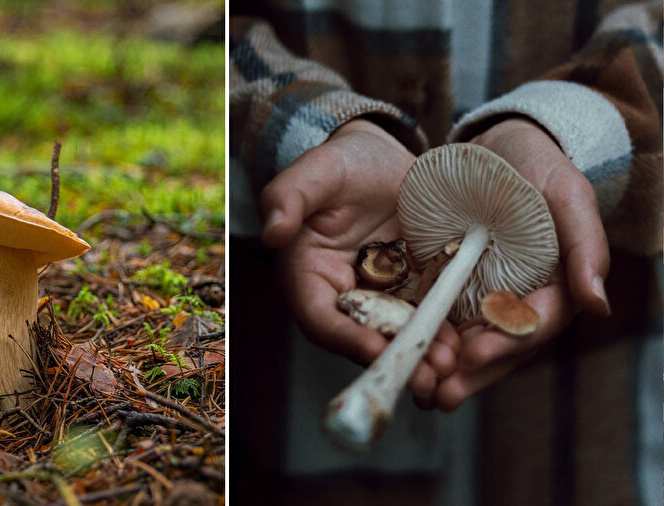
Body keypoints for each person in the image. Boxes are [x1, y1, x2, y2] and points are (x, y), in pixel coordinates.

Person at [230, 1, 662, 504]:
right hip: (283, 403)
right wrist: (312, 131)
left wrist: (564, 131)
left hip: (581, 410)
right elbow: (232, 35)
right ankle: (373, 397)